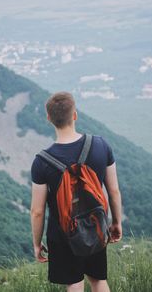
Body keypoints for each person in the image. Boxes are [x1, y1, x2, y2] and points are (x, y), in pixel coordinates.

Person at [30, 91, 122, 292]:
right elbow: (113, 191)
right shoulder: (100, 145)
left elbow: (37, 211)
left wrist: (37, 244)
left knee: (74, 283)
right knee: (98, 280)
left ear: (49, 119)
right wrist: (115, 222)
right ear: (75, 115)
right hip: (95, 225)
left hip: (62, 234)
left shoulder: (41, 162)